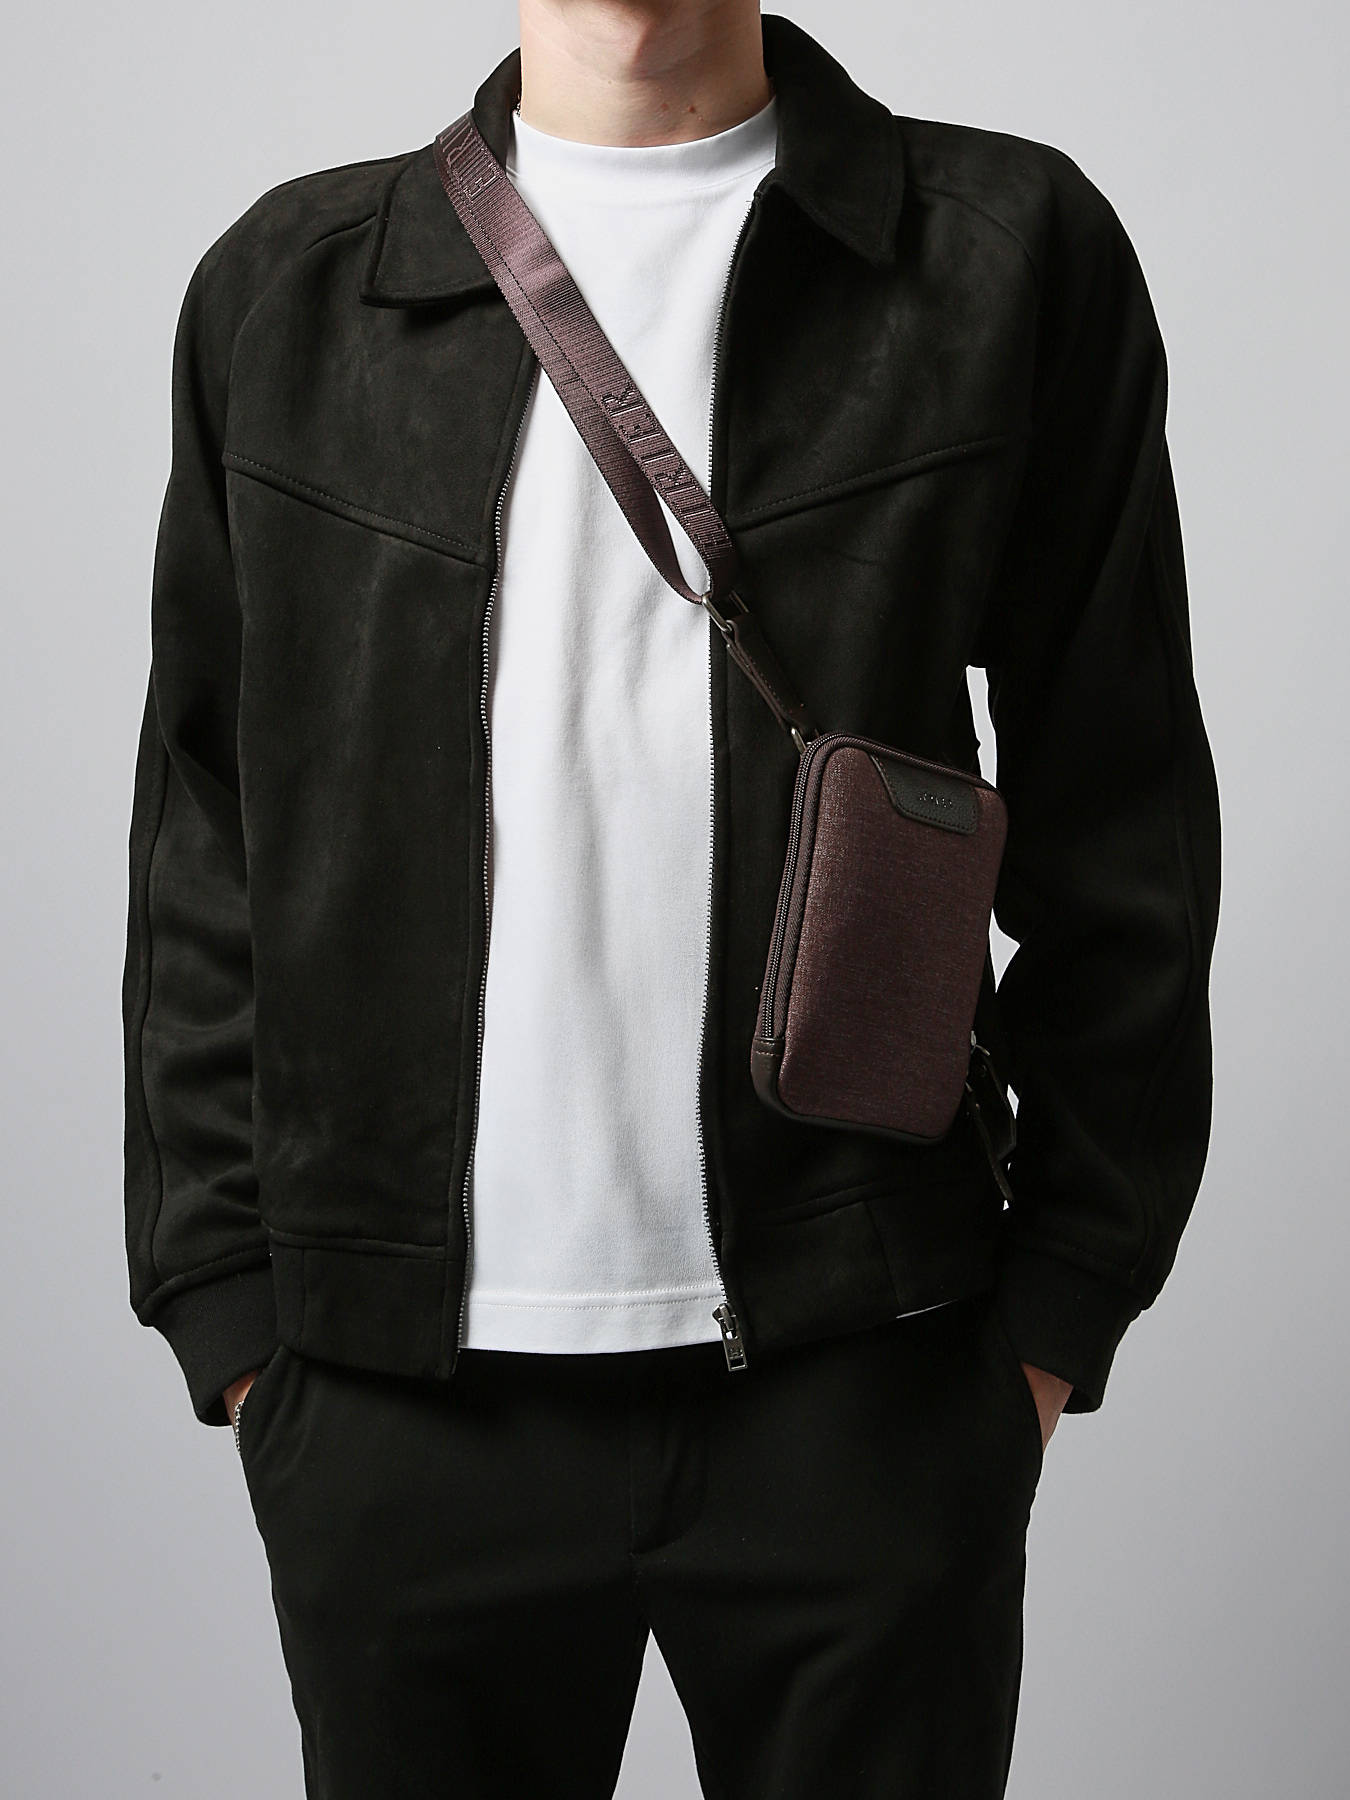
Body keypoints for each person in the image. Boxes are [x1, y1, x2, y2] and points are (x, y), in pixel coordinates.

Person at [120, 4, 1221, 1796]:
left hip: (868, 1370)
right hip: (399, 1401)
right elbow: (205, 835)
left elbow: (1124, 807)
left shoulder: (998, 253)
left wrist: (1056, 1310)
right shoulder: (290, 291)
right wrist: (234, 1315)